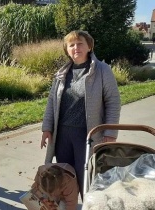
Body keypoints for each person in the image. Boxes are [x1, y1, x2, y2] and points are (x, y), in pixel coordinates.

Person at [40, 30, 121, 198]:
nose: (76, 47)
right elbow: (51, 102)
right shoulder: (62, 73)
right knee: (64, 177)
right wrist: (47, 128)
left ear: (89, 46)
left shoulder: (102, 70)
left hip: (87, 134)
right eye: (71, 45)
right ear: (67, 50)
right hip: (62, 134)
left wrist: (111, 132)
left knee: (88, 178)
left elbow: (113, 101)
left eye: (80, 43)